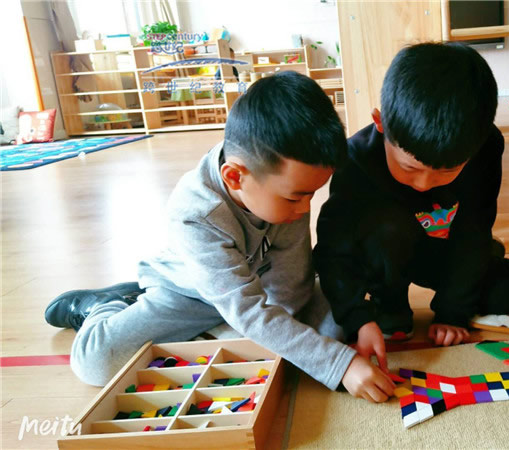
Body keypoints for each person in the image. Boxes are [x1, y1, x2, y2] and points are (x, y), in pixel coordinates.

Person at [45, 72, 396, 403]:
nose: (305, 209)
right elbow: (249, 311)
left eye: (311, 195)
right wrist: (340, 365)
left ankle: (225, 332)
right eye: (295, 197)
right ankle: (101, 305)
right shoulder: (195, 213)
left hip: (253, 288)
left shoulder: (285, 194)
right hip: (189, 293)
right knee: (97, 363)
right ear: (234, 176)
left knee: (330, 329)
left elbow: (292, 295)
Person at [313, 43, 509, 372]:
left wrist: (452, 314)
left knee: (508, 291)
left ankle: (487, 261)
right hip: (382, 253)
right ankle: (392, 308)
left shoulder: (486, 147)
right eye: (410, 168)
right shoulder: (355, 158)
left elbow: (474, 227)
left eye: (447, 171)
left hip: (442, 248)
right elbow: (333, 247)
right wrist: (357, 317)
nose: (424, 184)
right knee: (385, 230)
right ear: (380, 123)